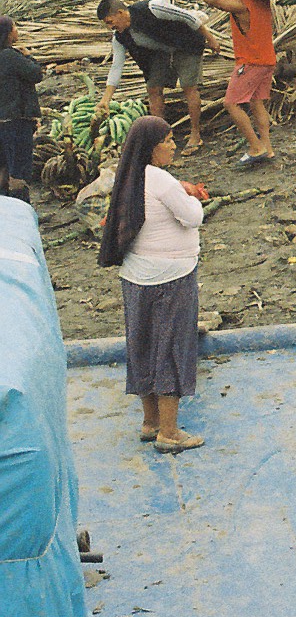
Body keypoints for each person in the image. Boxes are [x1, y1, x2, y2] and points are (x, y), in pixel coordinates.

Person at [99, 116, 209, 454]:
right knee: (172, 346)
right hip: (171, 277)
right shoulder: (161, 180)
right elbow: (192, 217)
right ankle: (170, 432)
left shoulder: (127, 178)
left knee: (142, 343)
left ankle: (150, 423)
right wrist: (191, 198)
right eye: (168, 140)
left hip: (135, 276)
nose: (173, 146)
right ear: (152, 147)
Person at [96, 0, 221, 156]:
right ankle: (161, 136)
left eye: (110, 21)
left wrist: (211, 39)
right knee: (153, 89)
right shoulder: (120, 37)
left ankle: (195, 134)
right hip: (160, 52)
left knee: (188, 86)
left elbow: (188, 17)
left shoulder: (153, 8)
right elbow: (116, 67)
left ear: (120, 12)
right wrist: (105, 100)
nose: (110, 27)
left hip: (186, 43)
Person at [201, 0, 277, 168]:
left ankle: (256, 147)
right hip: (267, 60)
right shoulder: (261, 0)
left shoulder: (241, 5)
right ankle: (268, 148)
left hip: (251, 62)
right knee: (256, 102)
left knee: (231, 103)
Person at [0, 17, 44, 204]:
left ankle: (5, 211)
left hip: (3, 121)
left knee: (4, 166)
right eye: (15, 27)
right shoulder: (10, 56)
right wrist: (28, 56)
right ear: (8, 34)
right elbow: (36, 74)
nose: (17, 30)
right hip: (16, 121)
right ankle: (20, 209)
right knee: (19, 169)